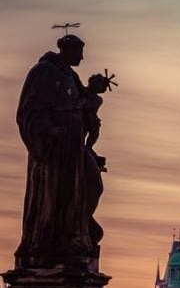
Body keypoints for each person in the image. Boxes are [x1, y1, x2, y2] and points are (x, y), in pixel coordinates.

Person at [16, 35, 113, 269]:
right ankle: (54, 239)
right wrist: (49, 131)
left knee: (92, 185)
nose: (82, 56)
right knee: (58, 192)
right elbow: (29, 110)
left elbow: (83, 104)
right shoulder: (44, 71)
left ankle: (77, 230)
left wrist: (94, 90)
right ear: (66, 50)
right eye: (79, 51)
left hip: (74, 144)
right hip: (56, 147)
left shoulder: (71, 76)